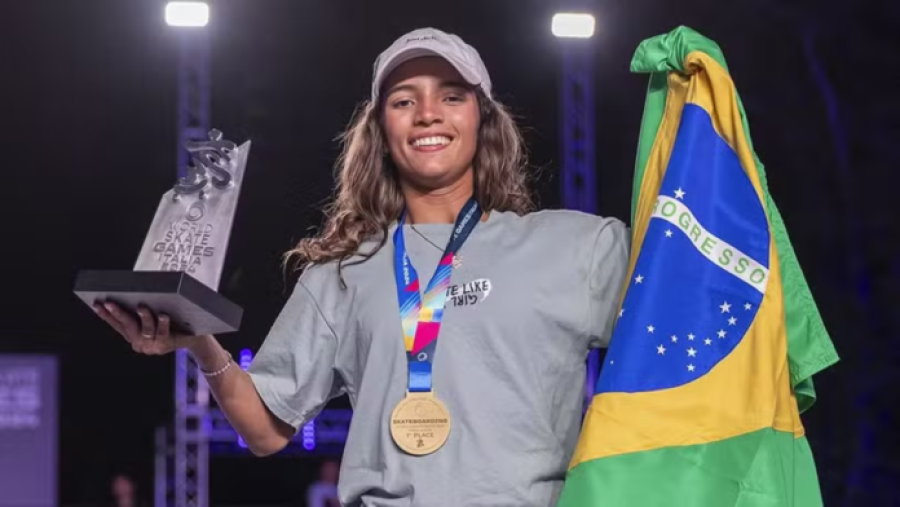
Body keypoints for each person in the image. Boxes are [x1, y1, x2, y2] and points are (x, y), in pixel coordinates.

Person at [94, 27, 629, 506]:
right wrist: (198, 342)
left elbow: (688, 312)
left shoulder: (577, 247)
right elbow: (265, 430)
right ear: (380, 130)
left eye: (451, 95)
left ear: (481, 117)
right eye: (403, 100)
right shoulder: (345, 272)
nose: (427, 114)